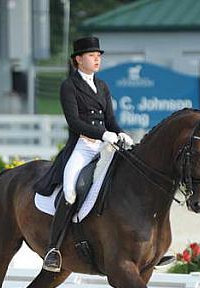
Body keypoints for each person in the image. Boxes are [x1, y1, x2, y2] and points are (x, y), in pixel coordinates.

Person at [33, 36, 134, 272]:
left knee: (126, 182)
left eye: (98, 55)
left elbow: (111, 120)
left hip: (105, 146)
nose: (97, 58)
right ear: (78, 59)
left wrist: (120, 133)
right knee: (70, 191)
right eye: (91, 55)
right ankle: (53, 249)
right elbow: (75, 123)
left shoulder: (103, 86)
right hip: (81, 147)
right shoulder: (69, 86)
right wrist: (103, 134)